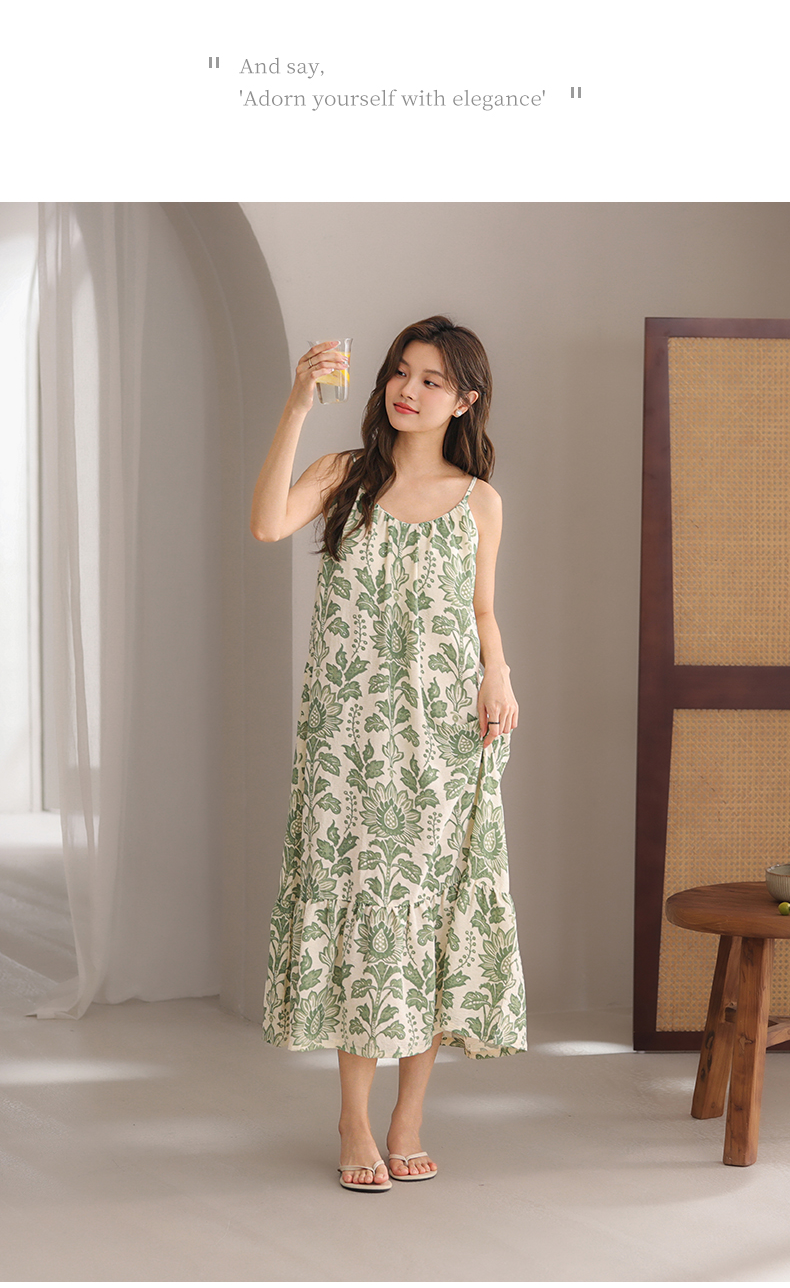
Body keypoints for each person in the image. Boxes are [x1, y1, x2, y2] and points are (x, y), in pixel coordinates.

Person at [251, 316, 527, 1191]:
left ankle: (408, 1117)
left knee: (428, 918)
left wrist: (499, 674)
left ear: (465, 400)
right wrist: (298, 403)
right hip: (350, 738)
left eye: (432, 379)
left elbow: (481, 610)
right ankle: (353, 1118)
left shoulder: (479, 500)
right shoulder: (344, 475)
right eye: (401, 372)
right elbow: (266, 523)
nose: (409, 389)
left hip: (445, 734)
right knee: (366, 916)